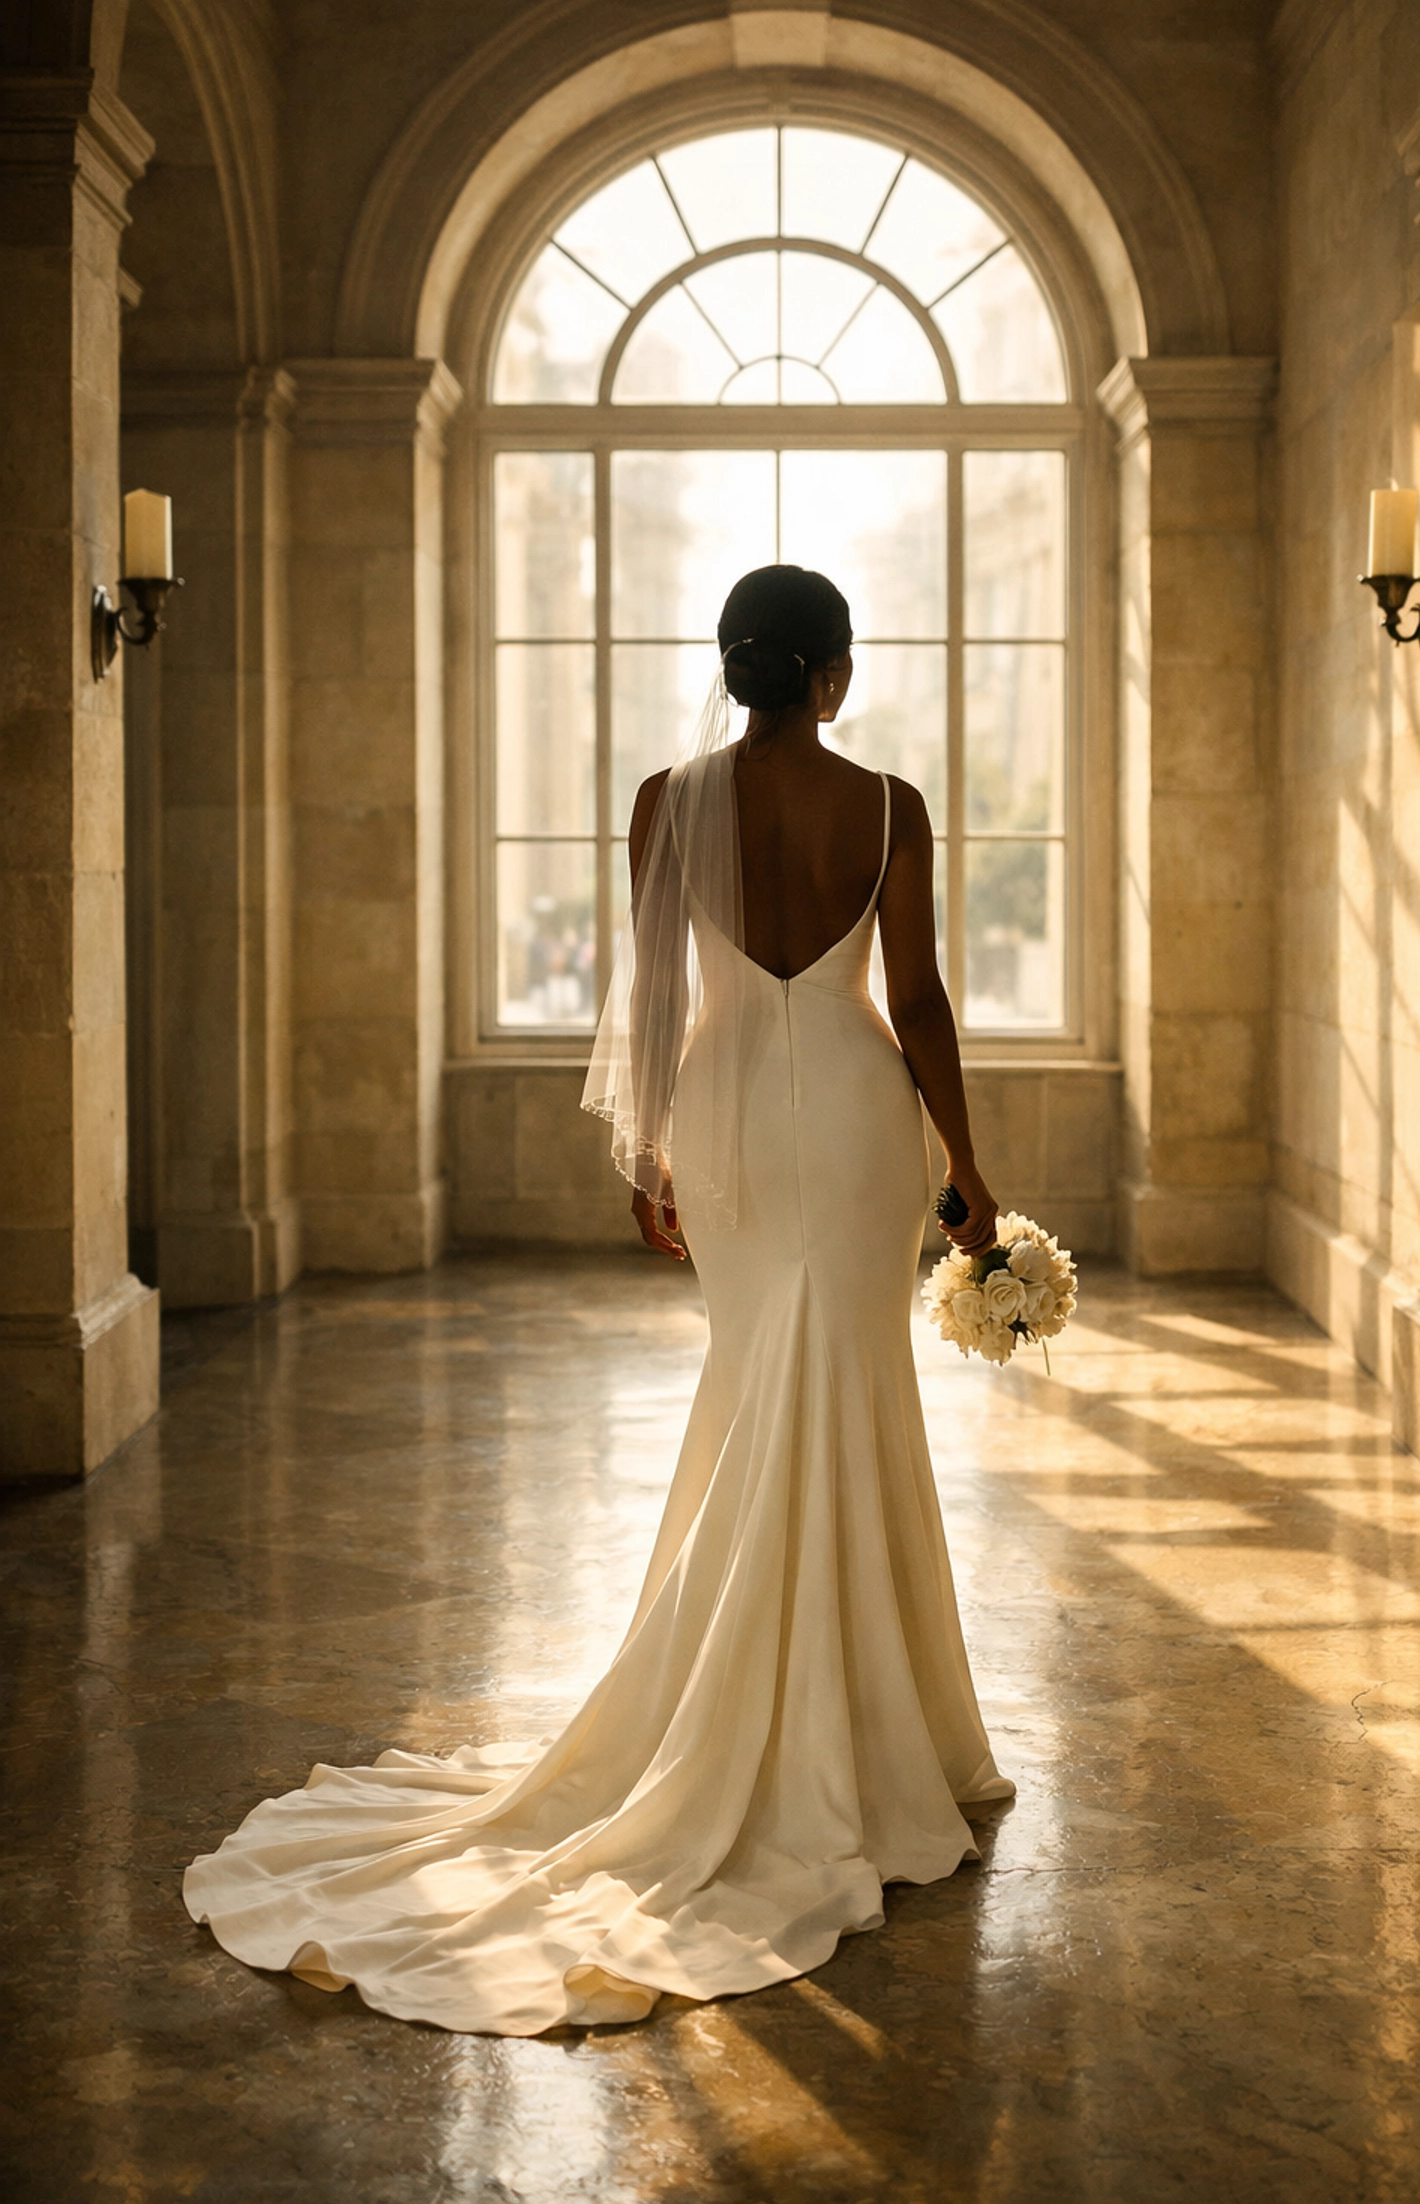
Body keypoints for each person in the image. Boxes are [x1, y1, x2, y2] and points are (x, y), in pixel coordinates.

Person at [182, 564, 1012, 2037]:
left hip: (732, 1116)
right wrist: (972, 1166)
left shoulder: (662, 799)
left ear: (731, 663)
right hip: (857, 1124)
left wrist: (656, 1152)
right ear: (829, 670)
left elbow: (648, 986)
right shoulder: (888, 802)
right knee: (848, 1392)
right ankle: (874, 1730)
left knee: (766, 1384)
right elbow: (923, 997)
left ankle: (772, 1702)